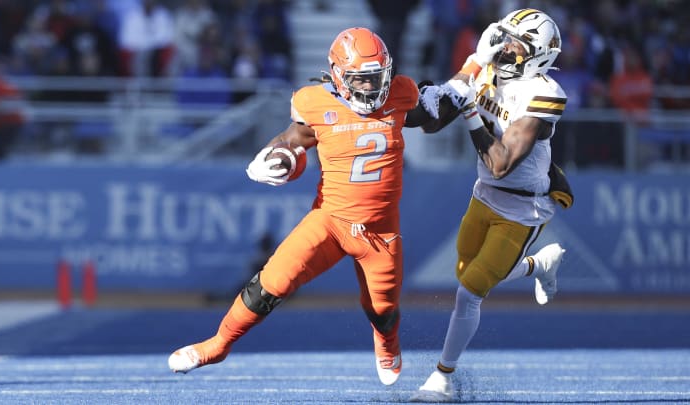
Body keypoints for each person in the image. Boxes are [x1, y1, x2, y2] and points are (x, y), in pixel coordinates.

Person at [168, 26, 442, 385]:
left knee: (383, 311)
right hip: (329, 222)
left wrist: (448, 95)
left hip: (380, 231)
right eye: (361, 80)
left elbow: (427, 117)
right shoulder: (315, 102)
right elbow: (290, 141)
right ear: (340, 76)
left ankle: (386, 342)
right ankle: (218, 344)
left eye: (377, 78)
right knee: (270, 284)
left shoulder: (402, 92)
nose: (371, 88)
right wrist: (273, 157)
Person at [409, 8, 572, 402]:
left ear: (538, 54)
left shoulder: (543, 93)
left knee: (470, 291)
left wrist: (468, 111)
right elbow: (430, 122)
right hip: (484, 194)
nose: (505, 48)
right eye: (503, 37)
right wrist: (470, 67)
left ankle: (442, 378)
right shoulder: (487, 71)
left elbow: (499, 163)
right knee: (466, 269)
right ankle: (539, 265)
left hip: (523, 208)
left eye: (516, 43)